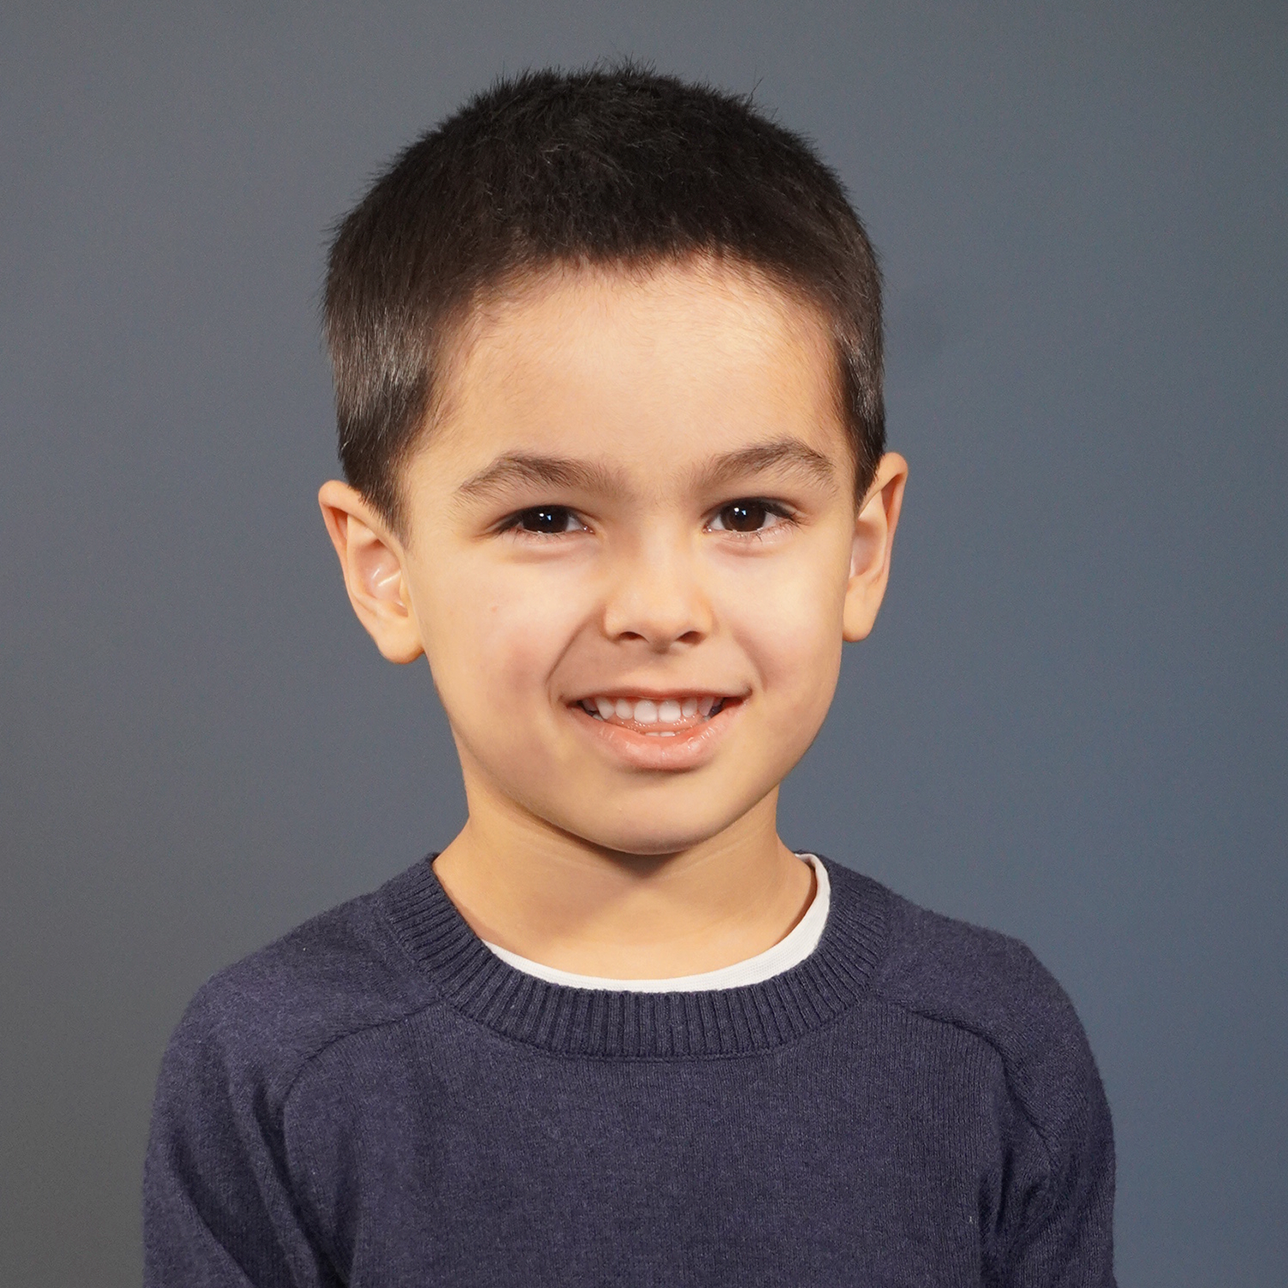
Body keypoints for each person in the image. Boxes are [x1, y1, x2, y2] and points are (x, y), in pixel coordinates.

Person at [143, 65, 1115, 1286]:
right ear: (385, 571)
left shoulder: (992, 1044)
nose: (659, 610)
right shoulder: (275, 1065)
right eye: (547, 518)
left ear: (862, 551)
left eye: (747, 511)